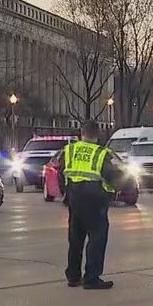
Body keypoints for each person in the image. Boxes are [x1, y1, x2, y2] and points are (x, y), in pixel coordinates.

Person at [54, 120, 125, 290]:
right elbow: (112, 176)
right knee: (97, 239)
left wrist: (67, 193)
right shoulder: (101, 153)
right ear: (97, 134)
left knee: (75, 239)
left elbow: (60, 173)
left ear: (82, 133)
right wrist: (114, 191)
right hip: (95, 201)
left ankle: (73, 276)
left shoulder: (69, 150)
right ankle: (91, 278)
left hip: (75, 200)